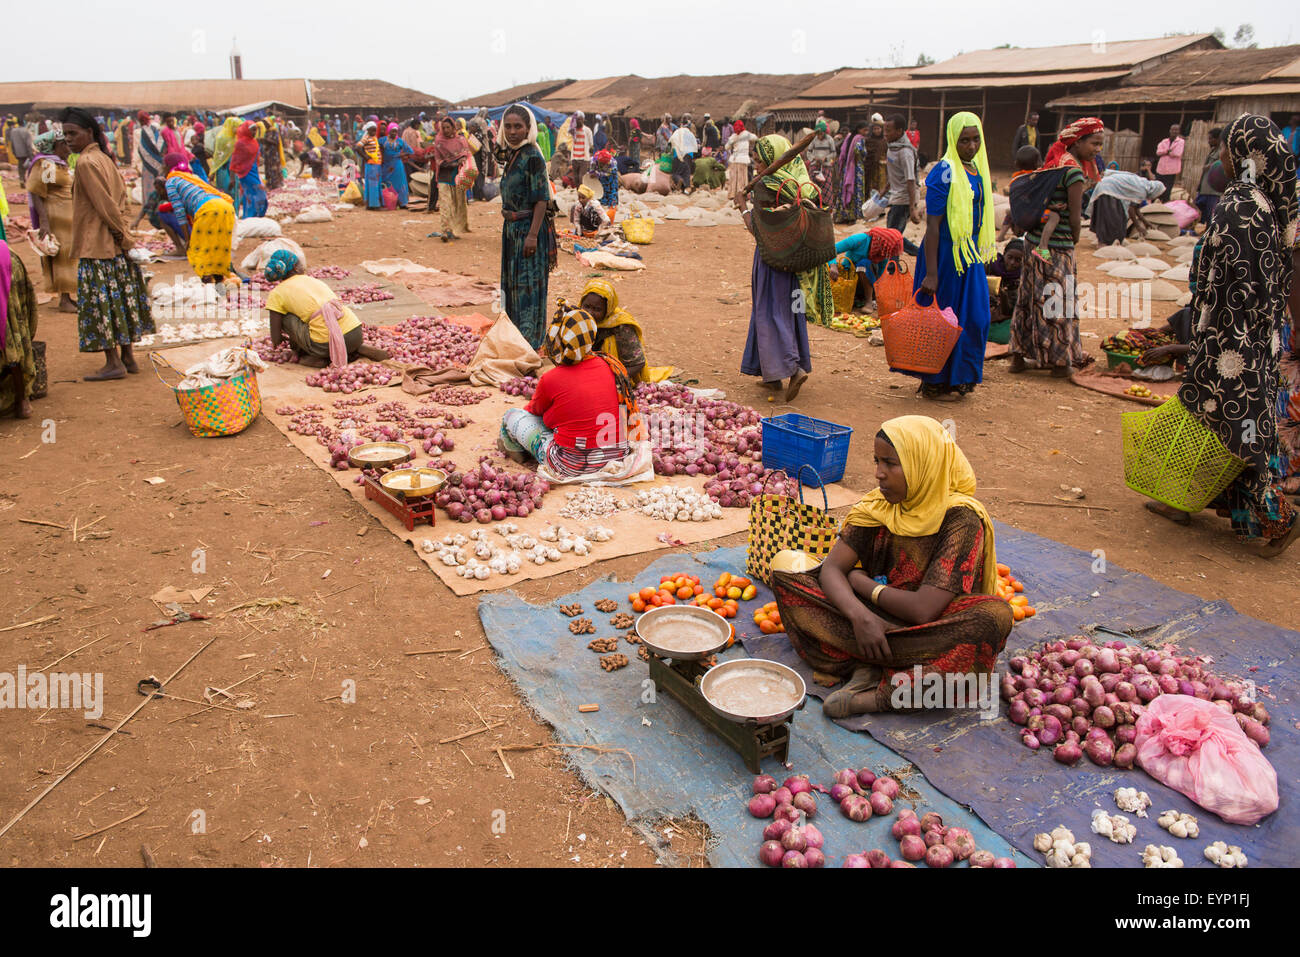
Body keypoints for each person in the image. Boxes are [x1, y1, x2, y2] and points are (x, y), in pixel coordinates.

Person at [771, 415, 1011, 717]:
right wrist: (861, 618)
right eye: (876, 461)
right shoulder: (880, 505)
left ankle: (879, 695)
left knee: (992, 618)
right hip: (873, 619)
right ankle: (877, 661)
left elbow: (924, 610)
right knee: (786, 579)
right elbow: (832, 569)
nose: (878, 474)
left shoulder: (960, 519)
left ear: (922, 464)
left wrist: (861, 584)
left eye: (890, 464)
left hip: (928, 627)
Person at [1143, 115, 1299, 556]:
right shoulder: (1267, 205)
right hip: (1254, 339)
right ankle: (1184, 499)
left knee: (1231, 428)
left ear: (1246, 156)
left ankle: (1277, 517)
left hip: (1230, 342)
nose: (1222, 160)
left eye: (1228, 151)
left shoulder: (1238, 207)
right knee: (1222, 421)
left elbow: (1226, 286)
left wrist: (1195, 342)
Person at [61, 108, 153, 382]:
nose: (68, 139)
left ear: (89, 132)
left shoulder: (87, 163)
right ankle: (128, 357)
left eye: (72, 133)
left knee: (103, 305)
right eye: (65, 134)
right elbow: (120, 203)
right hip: (115, 244)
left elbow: (106, 207)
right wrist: (125, 237)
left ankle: (113, 362)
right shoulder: (104, 159)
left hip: (98, 245)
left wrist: (123, 237)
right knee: (121, 300)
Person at [908, 111, 995, 401]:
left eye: (975, 140)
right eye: (964, 141)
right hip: (944, 257)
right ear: (952, 140)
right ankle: (935, 382)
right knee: (942, 319)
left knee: (975, 317)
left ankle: (961, 377)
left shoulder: (976, 170)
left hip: (968, 256)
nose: (971, 146)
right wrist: (931, 274)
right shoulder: (944, 171)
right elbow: (932, 226)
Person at [740, 134, 833, 401]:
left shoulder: (766, 187)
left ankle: (794, 368)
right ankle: (771, 376)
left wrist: (742, 206)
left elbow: (758, 230)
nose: (756, 165)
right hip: (795, 265)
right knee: (791, 313)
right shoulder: (803, 186)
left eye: (759, 160)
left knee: (771, 313)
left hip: (772, 261)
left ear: (772, 160)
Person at [1009, 117, 1103, 377]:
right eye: (1094, 143)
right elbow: (1075, 216)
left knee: (1029, 298)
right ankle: (1060, 363)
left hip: (1033, 244)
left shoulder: (1054, 164)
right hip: (1057, 247)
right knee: (1058, 302)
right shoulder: (1072, 172)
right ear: (1078, 141)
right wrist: (1073, 241)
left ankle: (1018, 356)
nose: (1097, 149)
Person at [498, 305, 635, 476]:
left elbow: (534, 411)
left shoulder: (551, 378)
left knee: (511, 416)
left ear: (557, 340)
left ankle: (516, 452)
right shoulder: (610, 365)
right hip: (616, 455)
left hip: (570, 465)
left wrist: (551, 417)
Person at [497, 104, 557, 350]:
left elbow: (542, 198)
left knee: (527, 287)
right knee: (512, 285)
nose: (512, 131)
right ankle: (514, 336)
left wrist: (532, 236)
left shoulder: (532, 155)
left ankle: (529, 342)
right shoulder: (513, 153)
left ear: (528, 128)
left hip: (528, 230)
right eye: (508, 126)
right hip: (512, 230)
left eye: (518, 127)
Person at [263, 250, 384, 367]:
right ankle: (354, 348)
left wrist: (286, 342)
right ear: (295, 268)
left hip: (324, 345)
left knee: (285, 317)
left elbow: (276, 338)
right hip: (355, 333)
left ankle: (315, 356)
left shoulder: (277, 293)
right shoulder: (313, 280)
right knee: (318, 315)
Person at [574, 277, 673, 384]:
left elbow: (637, 363)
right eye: (587, 306)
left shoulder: (621, 327)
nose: (590, 312)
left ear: (608, 309)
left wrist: (613, 379)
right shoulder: (577, 320)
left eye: (597, 309)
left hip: (616, 377)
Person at [24, 130, 78, 312]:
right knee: (62, 256)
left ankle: (68, 296)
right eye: (64, 144)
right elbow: (37, 192)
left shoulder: (58, 164)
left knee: (68, 255)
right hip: (55, 215)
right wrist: (44, 222)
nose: (68, 148)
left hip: (66, 215)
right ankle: (64, 300)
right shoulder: (46, 164)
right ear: (53, 146)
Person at [164, 153, 236, 284]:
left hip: (208, 209)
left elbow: (179, 211)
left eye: (164, 165)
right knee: (216, 249)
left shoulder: (171, 181)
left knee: (199, 251)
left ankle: (208, 284)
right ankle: (219, 284)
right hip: (225, 207)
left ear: (168, 166)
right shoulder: (191, 177)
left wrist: (187, 239)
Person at [0, 239, 38, 418]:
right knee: (11, 329)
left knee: (8, 331)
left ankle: (22, 399)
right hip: (6, 258)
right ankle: (22, 399)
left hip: (5, 266)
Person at [1087, 169, 1165, 246]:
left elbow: (1136, 208)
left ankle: (1105, 241)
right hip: (1109, 189)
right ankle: (1105, 242)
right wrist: (1138, 226)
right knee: (1112, 219)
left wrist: (1145, 222)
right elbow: (1131, 209)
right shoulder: (1142, 190)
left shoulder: (1144, 184)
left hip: (1106, 187)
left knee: (1113, 217)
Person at [883, 114, 922, 257]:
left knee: (892, 236)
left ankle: (894, 268)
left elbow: (910, 180)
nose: (885, 134)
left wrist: (912, 208)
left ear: (899, 132)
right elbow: (894, 173)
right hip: (895, 196)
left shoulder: (905, 152)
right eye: (884, 130)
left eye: (888, 130)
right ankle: (920, 254)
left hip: (904, 198)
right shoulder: (892, 147)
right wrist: (883, 191)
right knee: (894, 234)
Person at [430, 116, 470, 241]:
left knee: (456, 205)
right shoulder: (439, 141)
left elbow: (466, 154)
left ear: (453, 128)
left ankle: (454, 229)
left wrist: (463, 159)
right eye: (444, 128)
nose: (446, 130)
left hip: (457, 177)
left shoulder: (460, 140)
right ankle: (445, 230)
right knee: (445, 205)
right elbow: (439, 161)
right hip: (444, 176)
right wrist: (453, 163)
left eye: (448, 127)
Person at [833, 121, 868, 223]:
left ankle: (842, 215)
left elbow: (842, 152)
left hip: (846, 169)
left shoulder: (849, 138)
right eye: (864, 130)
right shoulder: (859, 139)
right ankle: (852, 216)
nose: (866, 132)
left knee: (844, 190)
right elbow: (858, 151)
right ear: (859, 129)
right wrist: (864, 153)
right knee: (855, 191)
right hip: (856, 169)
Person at [231, 122, 266, 218]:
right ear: (246, 130)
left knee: (254, 195)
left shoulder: (254, 142)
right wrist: (232, 178)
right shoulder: (240, 143)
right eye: (252, 129)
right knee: (255, 195)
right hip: (245, 174)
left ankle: (253, 217)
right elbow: (235, 161)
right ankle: (251, 216)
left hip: (254, 171)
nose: (255, 132)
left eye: (256, 130)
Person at [987, 238, 1023, 326]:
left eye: (1018, 260)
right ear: (1004, 254)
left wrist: (1004, 296)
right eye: (1009, 257)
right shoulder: (991, 266)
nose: (1012, 263)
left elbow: (1009, 311)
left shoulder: (1022, 278)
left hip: (1004, 318)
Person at [209, 117, 243, 212]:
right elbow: (218, 156)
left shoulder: (236, 138)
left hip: (234, 169)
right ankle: (227, 212)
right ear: (232, 126)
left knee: (234, 191)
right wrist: (213, 172)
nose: (240, 129)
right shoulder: (223, 138)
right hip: (224, 168)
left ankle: (234, 213)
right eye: (238, 127)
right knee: (226, 191)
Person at [1194, 127, 1225, 227]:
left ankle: (1210, 231)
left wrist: (1211, 166)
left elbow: (1223, 163)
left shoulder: (1222, 151)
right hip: (1205, 187)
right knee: (1200, 205)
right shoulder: (1212, 151)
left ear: (1218, 139)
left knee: (1211, 213)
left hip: (1213, 189)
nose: (1209, 140)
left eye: (1211, 138)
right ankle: (1205, 228)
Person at [380, 122, 413, 209]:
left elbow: (410, 151)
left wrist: (402, 155)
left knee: (399, 183)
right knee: (386, 182)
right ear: (388, 131)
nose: (394, 133)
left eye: (395, 131)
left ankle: (402, 203)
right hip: (386, 166)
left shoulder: (400, 141)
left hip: (397, 165)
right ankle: (388, 201)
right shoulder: (382, 140)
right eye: (392, 131)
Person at [724, 119, 758, 202]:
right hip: (743, 159)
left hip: (734, 159)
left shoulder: (733, 136)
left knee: (734, 178)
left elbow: (726, 147)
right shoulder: (746, 134)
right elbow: (756, 138)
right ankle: (742, 194)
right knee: (742, 178)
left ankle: (732, 194)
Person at [136, 111, 165, 203]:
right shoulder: (154, 128)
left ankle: (150, 205)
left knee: (149, 184)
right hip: (158, 161)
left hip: (148, 164)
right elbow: (159, 144)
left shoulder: (145, 130)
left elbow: (146, 146)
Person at [805, 120, 837, 199]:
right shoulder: (814, 140)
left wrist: (825, 158)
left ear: (824, 132)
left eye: (821, 134)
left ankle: (826, 207)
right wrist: (813, 159)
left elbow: (834, 153)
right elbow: (808, 152)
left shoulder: (830, 140)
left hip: (826, 167)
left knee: (826, 189)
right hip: (814, 166)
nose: (819, 136)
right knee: (812, 187)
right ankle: (813, 206)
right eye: (818, 134)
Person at [1155, 123, 1185, 199]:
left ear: (1179, 131)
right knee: (1157, 187)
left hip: (1171, 170)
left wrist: (1165, 152)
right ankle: (1155, 203)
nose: (1174, 131)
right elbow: (1158, 152)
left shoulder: (1181, 141)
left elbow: (1177, 153)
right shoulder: (1164, 141)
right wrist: (1168, 151)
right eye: (1173, 129)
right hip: (1161, 169)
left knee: (1167, 189)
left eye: (1176, 130)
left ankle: (1165, 204)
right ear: (1170, 131)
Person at [668, 121, 698, 193]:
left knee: (676, 173)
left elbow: (670, 142)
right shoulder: (691, 134)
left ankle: (679, 180)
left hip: (678, 155)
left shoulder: (677, 132)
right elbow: (695, 146)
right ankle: (686, 189)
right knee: (686, 173)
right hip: (689, 156)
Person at [592, 150, 619, 220]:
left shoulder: (613, 163)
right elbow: (591, 170)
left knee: (612, 200)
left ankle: (610, 221)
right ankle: (600, 221)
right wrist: (592, 173)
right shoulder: (594, 159)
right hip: (600, 182)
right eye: (601, 163)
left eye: (604, 164)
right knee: (599, 199)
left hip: (611, 181)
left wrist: (597, 174)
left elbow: (609, 173)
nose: (602, 165)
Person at [260, 117, 284, 190]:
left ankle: (275, 183)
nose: (265, 124)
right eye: (264, 123)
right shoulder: (267, 132)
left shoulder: (274, 131)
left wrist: (266, 140)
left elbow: (276, 142)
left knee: (273, 168)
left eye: (266, 123)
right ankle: (270, 183)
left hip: (273, 153)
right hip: (268, 153)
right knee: (268, 168)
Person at [570, 111, 594, 184]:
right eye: (577, 119)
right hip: (574, 157)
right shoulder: (573, 131)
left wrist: (590, 155)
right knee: (576, 178)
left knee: (581, 178)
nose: (578, 121)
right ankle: (579, 193)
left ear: (583, 120)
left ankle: (582, 193)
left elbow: (591, 144)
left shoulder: (587, 130)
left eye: (580, 119)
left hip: (584, 158)